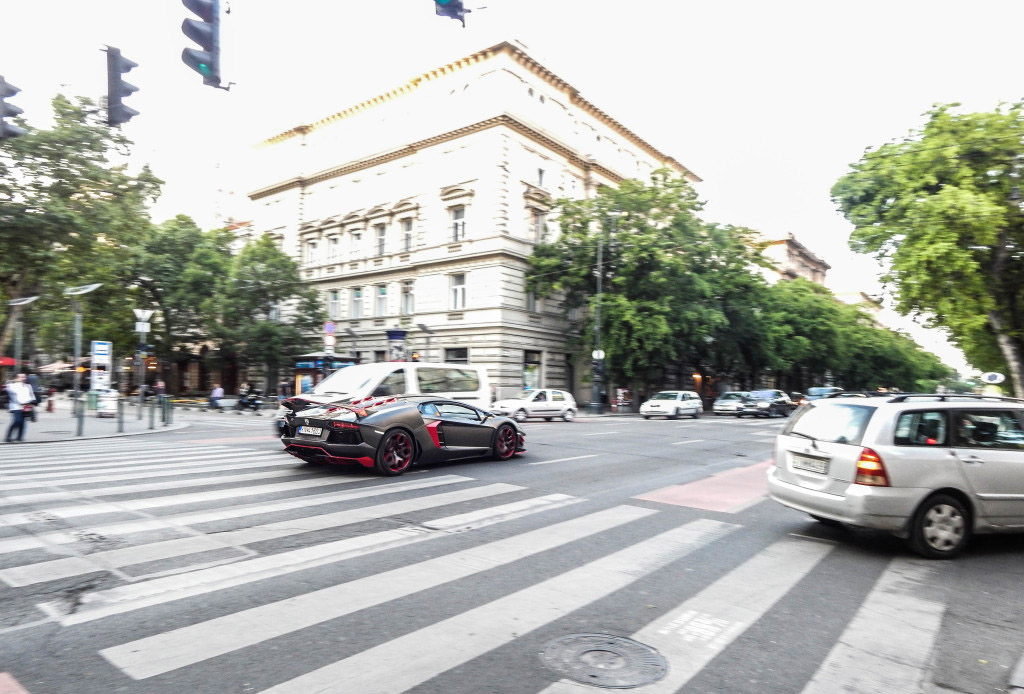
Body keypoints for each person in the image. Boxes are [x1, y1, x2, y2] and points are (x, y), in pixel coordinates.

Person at [5, 373, 36, 443]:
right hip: (16, 406)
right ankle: (8, 436)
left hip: (26, 406)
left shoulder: (28, 386)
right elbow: (13, 394)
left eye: (24, 377)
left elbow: (31, 395)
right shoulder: (11, 386)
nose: (23, 378)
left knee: (23, 422)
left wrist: (31, 402)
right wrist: (17, 384)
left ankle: (20, 437)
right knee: (17, 421)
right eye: (21, 377)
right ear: (16, 378)